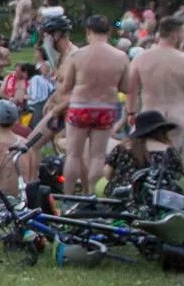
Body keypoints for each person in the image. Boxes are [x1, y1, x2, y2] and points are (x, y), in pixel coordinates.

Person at [48, 14, 130, 194]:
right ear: (108, 32)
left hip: (81, 106)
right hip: (106, 108)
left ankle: (69, 197)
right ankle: (93, 195)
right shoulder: (121, 56)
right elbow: (125, 86)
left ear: (88, 32)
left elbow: (66, 87)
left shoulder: (78, 55)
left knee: (74, 155)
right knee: (98, 156)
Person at [127, 14, 184, 144]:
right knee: (172, 156)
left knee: (146, 156)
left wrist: (131, 112)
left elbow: (131, 90)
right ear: (175, 35)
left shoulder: (140, 59)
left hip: (149, 115)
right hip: (176, 115)